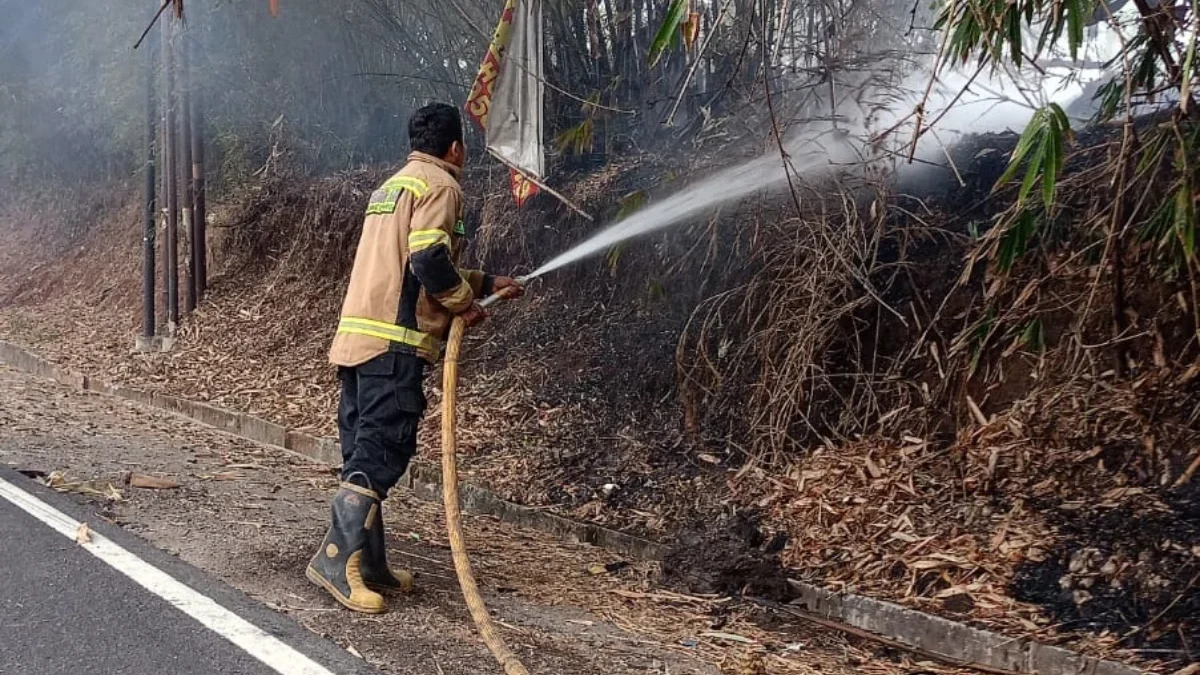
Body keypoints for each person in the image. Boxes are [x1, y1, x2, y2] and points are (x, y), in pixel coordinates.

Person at [307, 102, 524, 614]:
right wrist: (463, 305)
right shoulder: (443, 186)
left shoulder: (394, 187)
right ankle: (334, 562)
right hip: (393, 346)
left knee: (362, 454)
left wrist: (488, 283)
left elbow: (413, 264)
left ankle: (371, 563)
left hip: (357, 343)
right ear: (455, 148)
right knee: (380, 454)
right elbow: (428, 259)